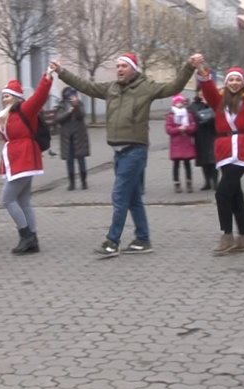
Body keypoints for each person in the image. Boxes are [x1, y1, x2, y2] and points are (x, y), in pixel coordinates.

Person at [51, 52, 202, 257]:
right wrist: (61, 72)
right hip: (119, 152)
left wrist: (189, 67)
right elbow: (85, 86)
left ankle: (112, 242)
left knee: (119, 195)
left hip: (135, 151)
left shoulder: (145, 87)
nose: (119, 69)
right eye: (118, 66)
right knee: (132, 199)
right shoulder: (111, 88)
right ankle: (143, 239)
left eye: (124, 66)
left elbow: (173, 87)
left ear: (134, 69)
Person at [0, 74, 54, 255]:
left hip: (25, 158)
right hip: (15, 160)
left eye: (7, 96)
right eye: (2, 96)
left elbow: (40, 96)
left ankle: (26, 236)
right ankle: (32, 239)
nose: (4, 99)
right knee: (23, 201)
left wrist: (47, 78)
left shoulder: (26, 109)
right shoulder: (3, 116)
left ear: (16, 97)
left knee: (7, 199)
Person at [199, 67, 244, 255]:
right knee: (235, 194)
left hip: (241, 149)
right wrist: (201, 70)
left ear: (243, 82)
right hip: (224, 149)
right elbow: (208, 90)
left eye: (237, 80)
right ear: (226, 82)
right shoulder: (220, 101)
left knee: (222, 193)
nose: (234, 83)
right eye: (230, 80)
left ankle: (227, 235)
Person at [54, 86, 91, 191]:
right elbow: (58, 119)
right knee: (69, 160)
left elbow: (81, 115)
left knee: (81, 159)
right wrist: (69, 112)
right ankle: (72, 183)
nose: (72, 97)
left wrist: (76, 107)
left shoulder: (79, 104)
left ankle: (84, 182)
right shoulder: (61, 105)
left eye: (73, 95)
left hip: (79, 136)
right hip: (67, 137)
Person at [165, 94, 196, 193]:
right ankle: (177, 183)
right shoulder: (171, 116)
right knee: (176, 164)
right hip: (176, 143)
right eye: (177, 102)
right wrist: (178, 129)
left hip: (186, 142)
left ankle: (189, 183)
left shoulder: (188, 114)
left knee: (187, 164)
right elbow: (168, 129)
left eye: (181, 102)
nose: (179, 104)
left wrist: (187, 128)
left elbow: (193, 127)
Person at [188, 90, 218, 190]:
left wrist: (208, 105)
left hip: (212, 134)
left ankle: (215, 182)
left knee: (213, 160)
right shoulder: (193, 105)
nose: (202, 93)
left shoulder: (213, 102)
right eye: (200, 92)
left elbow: (217, 116)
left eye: (203, 91)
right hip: (200, 136)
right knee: (204, 161)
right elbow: (191, 117)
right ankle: (207, 182)